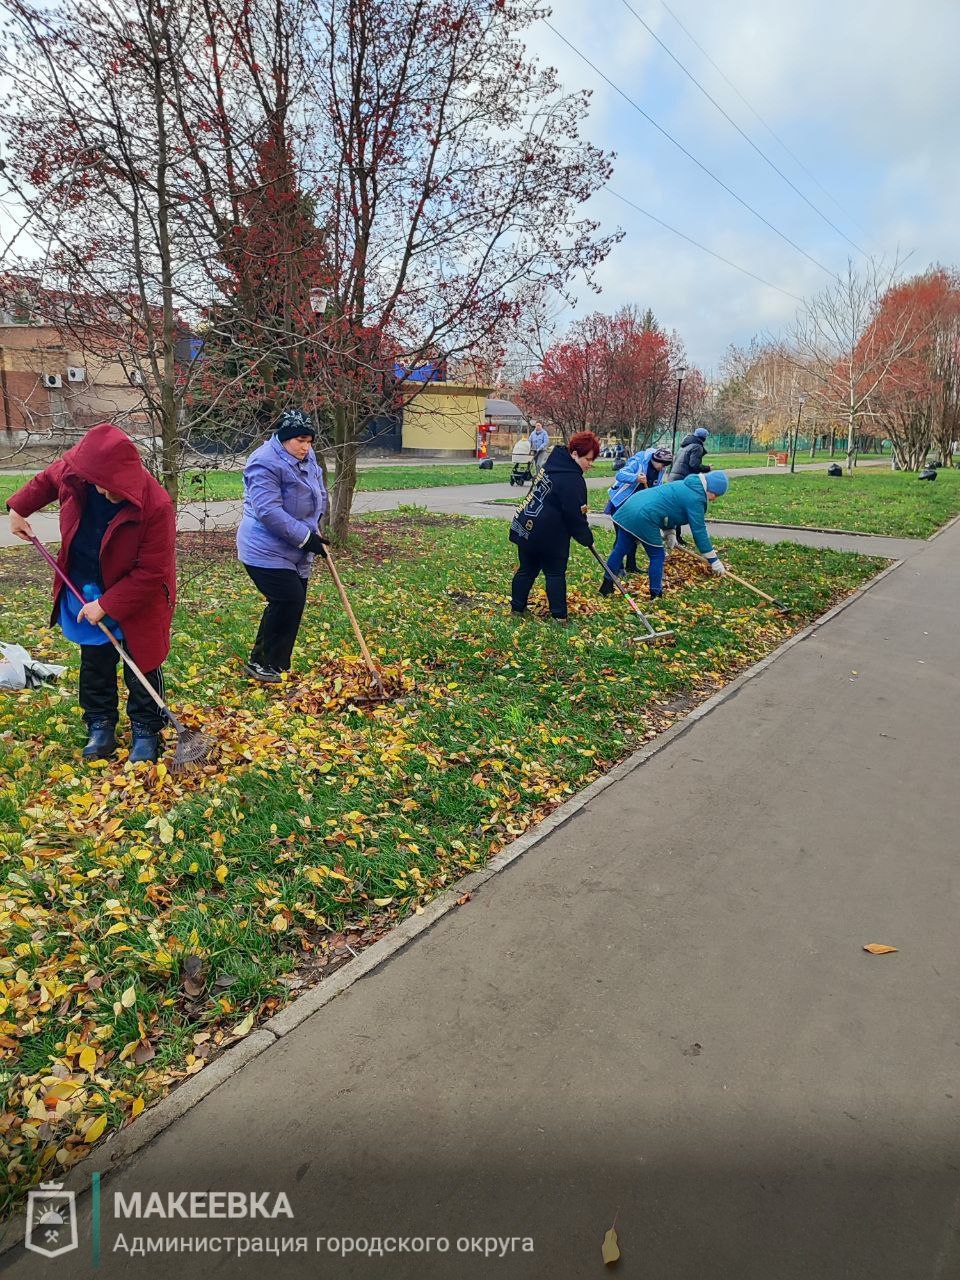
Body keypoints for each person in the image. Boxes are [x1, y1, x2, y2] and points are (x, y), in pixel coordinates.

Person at [6, 422, 176, 762]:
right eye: (99, 485)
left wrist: (109, 604)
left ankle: (146, 729)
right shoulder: (78, 473)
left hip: (136, 596)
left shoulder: (156, 505)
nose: (103, 493)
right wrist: (18, 508)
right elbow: (47, 480)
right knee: (95, 659)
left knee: (140, 660)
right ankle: (100, 724)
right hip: (86, 582)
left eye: (111, 489)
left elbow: (152, 570)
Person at [236, 408, 328, 682]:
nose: (306, 447)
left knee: (291, 602)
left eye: (309, 441)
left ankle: (272, 661)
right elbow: (268, 512)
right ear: (285, 438)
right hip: (263, 547)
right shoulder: (263, 462)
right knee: (287, 599)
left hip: (295, 547)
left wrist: (314, 529)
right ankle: (263, 662)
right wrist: (305, 537)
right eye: (300, 441)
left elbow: (316, 491)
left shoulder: (307, 456)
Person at [510, 430, 600, 623]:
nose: (590, 464)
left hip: (526, 526)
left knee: (527, 569)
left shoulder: (552, 465)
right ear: (575, 453)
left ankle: (517, 608)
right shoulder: (572, 480)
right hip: (548, 535)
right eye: (588, 459)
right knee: (555, 573)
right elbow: (575, 516)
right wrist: (586, 537)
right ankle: (559, 617)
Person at [600, 471, 729, 599]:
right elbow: (699, 531)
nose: (714, 499)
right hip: (644, 515)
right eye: (715, 495)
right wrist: (713, 560)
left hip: (631, 505)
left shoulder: (685, 485)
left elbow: (668, 509)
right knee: (657, 555)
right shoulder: (696, 498)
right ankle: (656, 593)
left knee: (621, 548)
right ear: (710, 488)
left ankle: (606, 585)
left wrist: (670, 533)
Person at [667, 426, 711, 547]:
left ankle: (673, 535)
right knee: (680, 508)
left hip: (673, 478)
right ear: (704, 438)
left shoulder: (685, 445)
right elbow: (694, 465)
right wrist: (708, 468)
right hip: (682, 480)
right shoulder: (697, 447)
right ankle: (676, 537)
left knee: (674, 507)